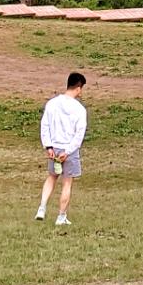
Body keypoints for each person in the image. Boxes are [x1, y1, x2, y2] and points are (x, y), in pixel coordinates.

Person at [37, 71, 87, 226]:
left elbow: (45, 126)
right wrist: (68, 151)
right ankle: (61, 216)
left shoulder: (52, 103)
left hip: (54, 146)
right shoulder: (79, 109)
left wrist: (48, 146)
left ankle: (42, 208)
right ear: (78, 88)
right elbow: (79, 134)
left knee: (52, 177)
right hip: (69, 149)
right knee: (67, 183)